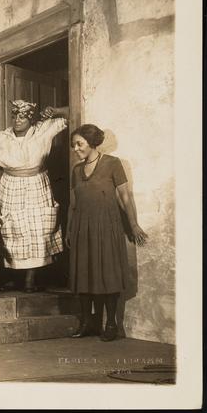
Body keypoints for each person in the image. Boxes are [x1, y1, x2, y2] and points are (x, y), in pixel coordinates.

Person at [0, 100, 68, 292]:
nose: (17, 120)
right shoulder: (1, 137)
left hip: (37, 183)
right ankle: (17, 277)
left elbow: (72, 113)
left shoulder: (43, 130)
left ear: (31, 119)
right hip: (11, 184)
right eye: (14, 116)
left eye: (22, 117)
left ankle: (31, 278)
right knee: (13, 230)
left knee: (39, 230)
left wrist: (55, 110)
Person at [67, 124, 148, 342]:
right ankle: (87, 323)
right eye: (74, 145)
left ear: (92, 142)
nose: (75, 149)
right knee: (84, 274)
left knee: (108, 274)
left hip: (107, 227)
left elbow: (125, 197)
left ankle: (111, 324)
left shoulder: (113, 163)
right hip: (82, 228)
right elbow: (73, 204)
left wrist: (133, 225)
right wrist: (70, 229)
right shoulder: (76, 170)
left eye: (79, 144)